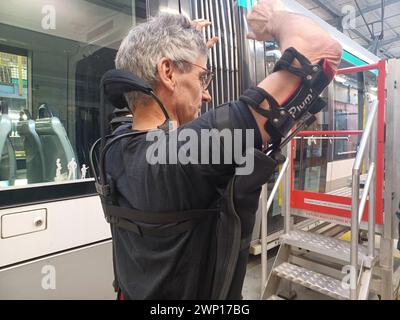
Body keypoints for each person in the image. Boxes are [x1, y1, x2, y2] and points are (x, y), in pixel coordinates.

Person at [105, 0, 342, 299]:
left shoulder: (112, 147)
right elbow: (319, 47)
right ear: (167, 71)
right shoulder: (185, 154)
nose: (207, 95)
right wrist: (274, 19)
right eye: (202, 77)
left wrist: (183, 52)